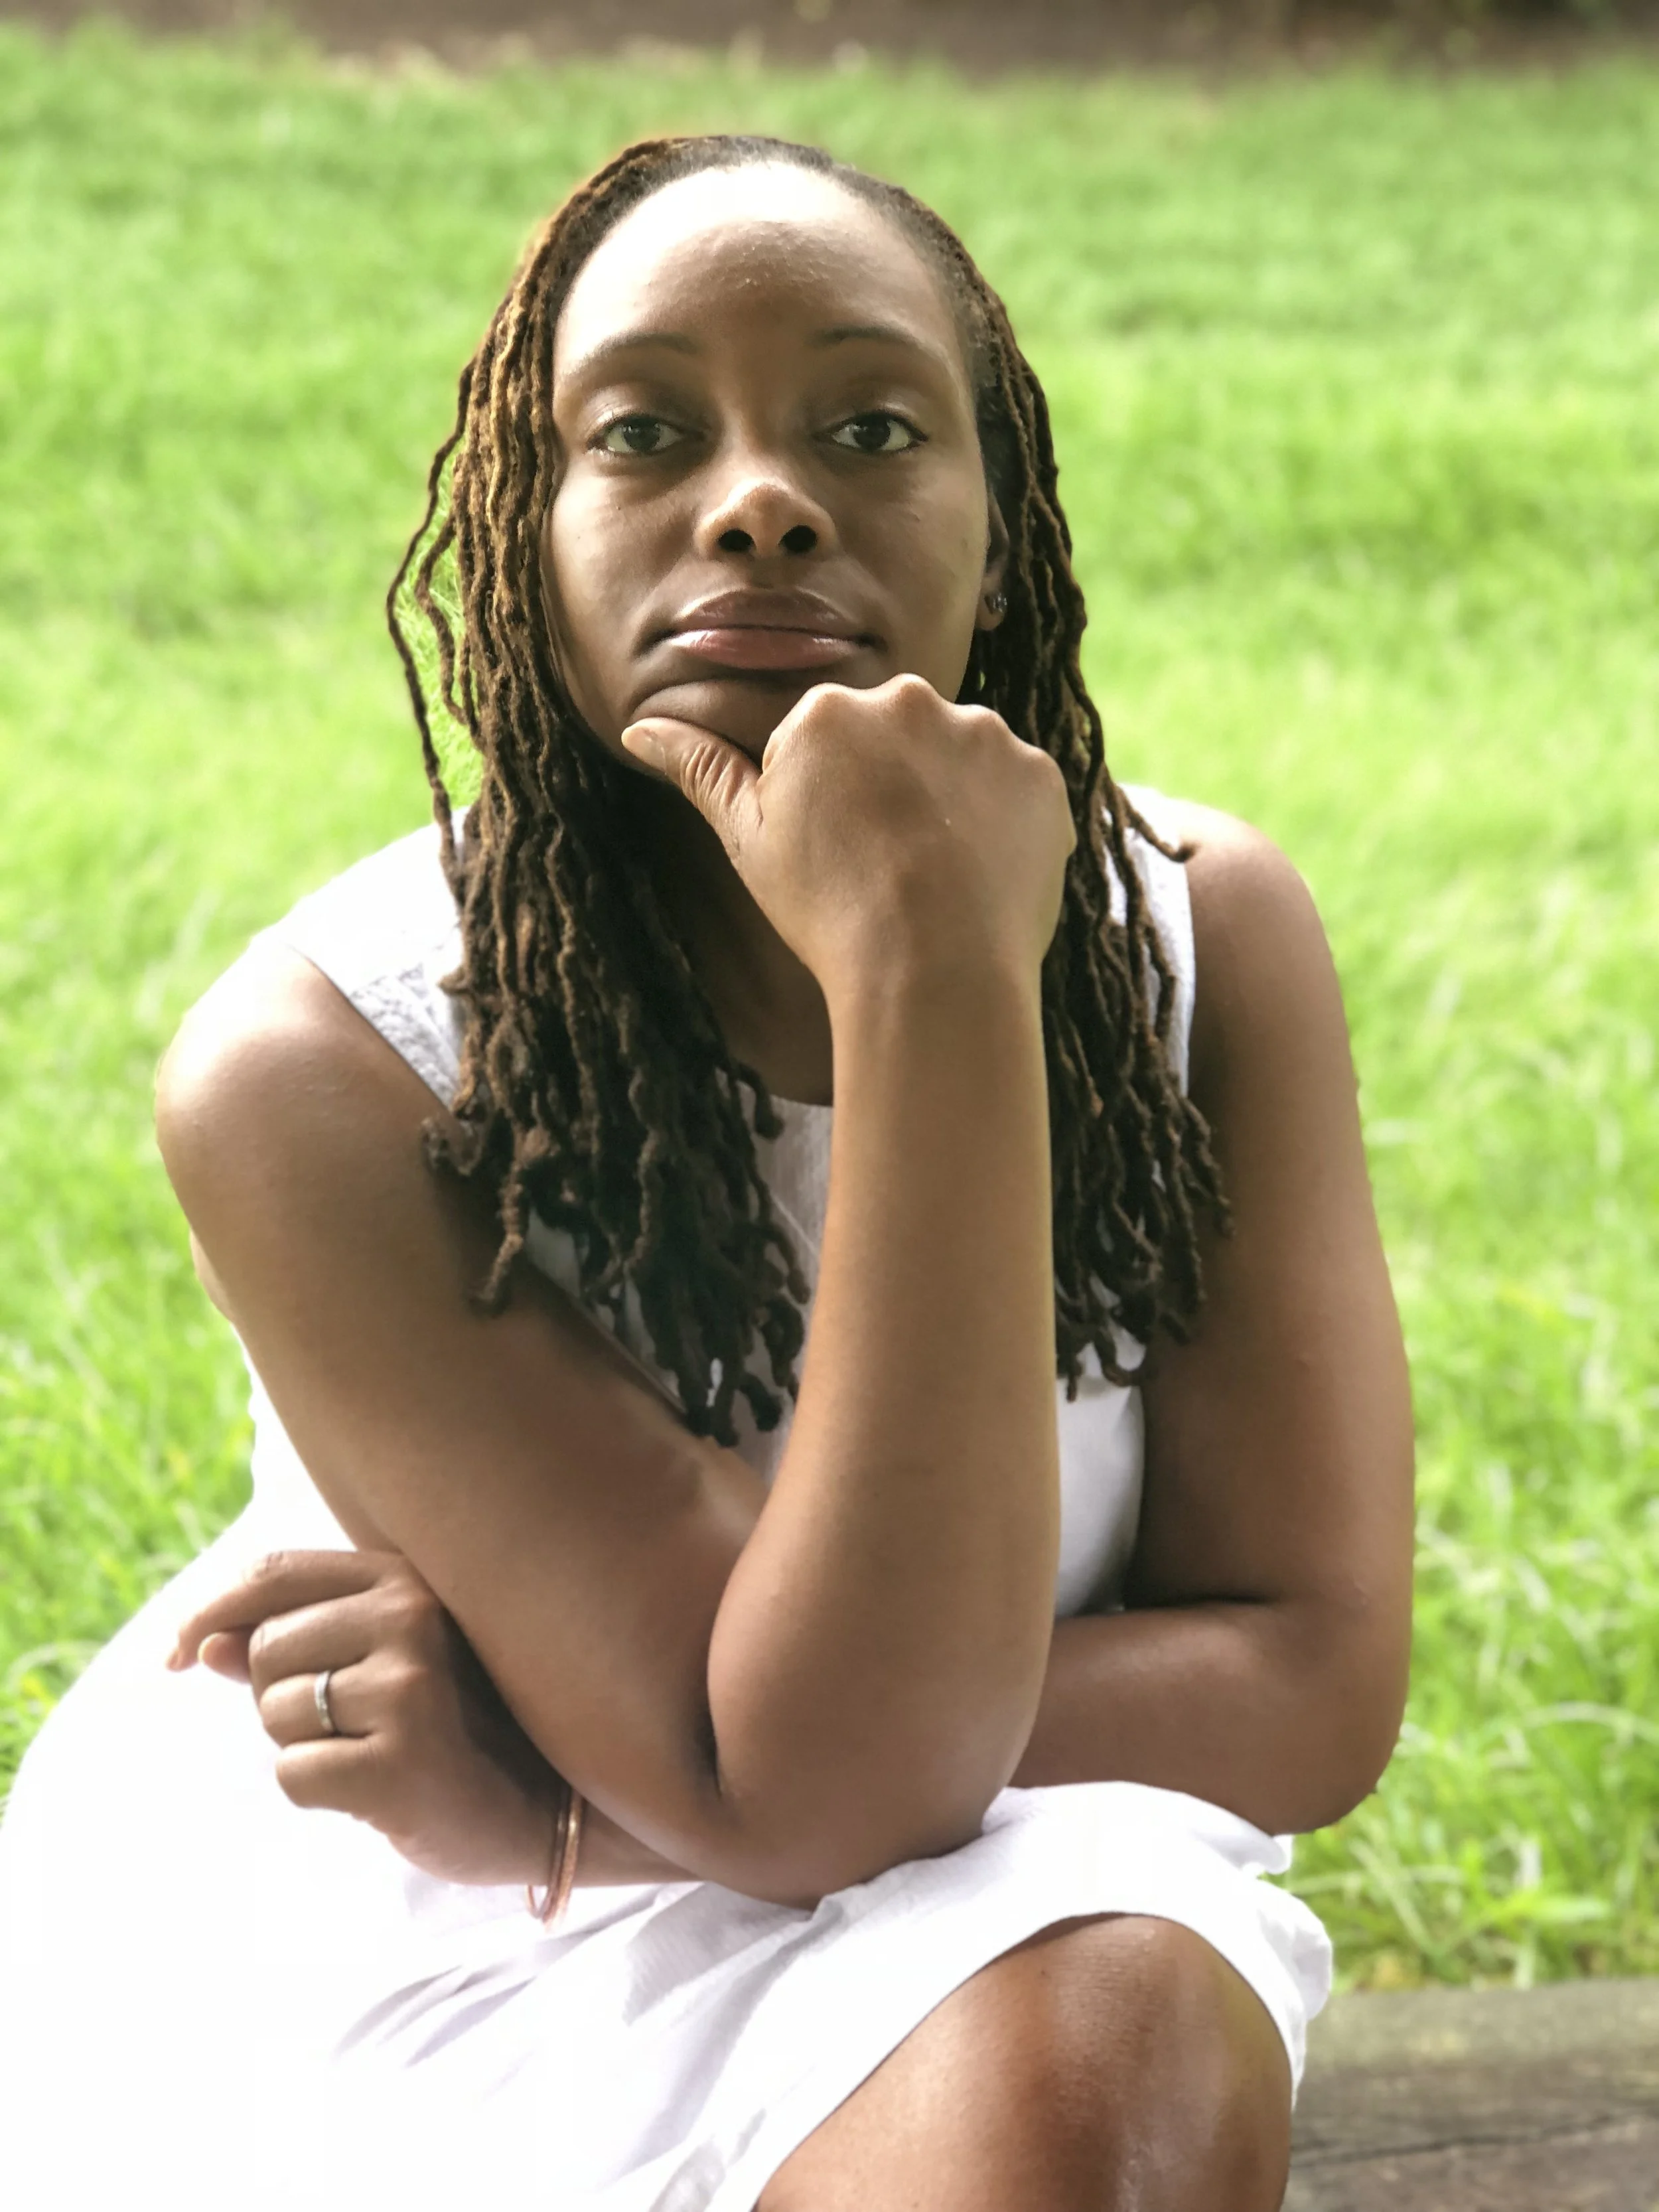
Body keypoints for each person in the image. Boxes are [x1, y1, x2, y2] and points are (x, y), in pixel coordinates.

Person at [0, 134, 1413, 2212]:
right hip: (441, 1937)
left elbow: (1302, 1688)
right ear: (527, 538)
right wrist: (931, 974)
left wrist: (579, 1774)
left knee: (1115, 2041)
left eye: (866, 424)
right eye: (642, 432)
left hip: (948, 1865)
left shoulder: (1202, 940)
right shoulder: (318, 1067)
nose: (759, 498)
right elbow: (810, 1767)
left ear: (1001, 533)